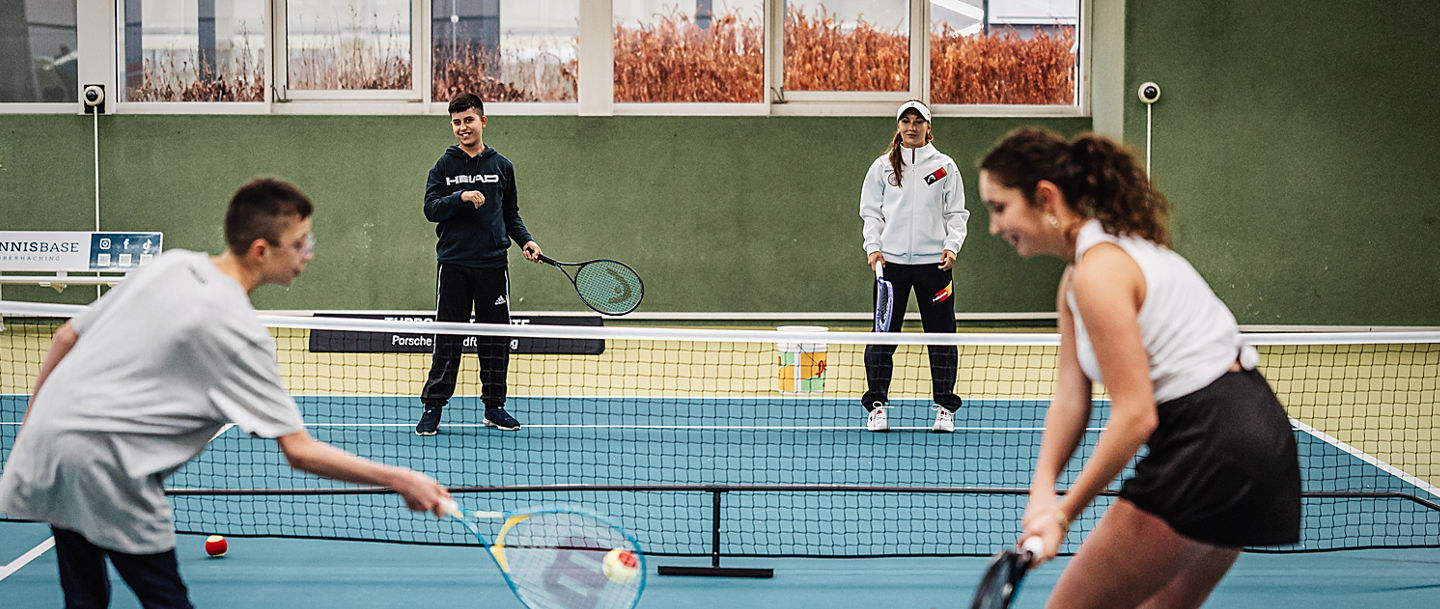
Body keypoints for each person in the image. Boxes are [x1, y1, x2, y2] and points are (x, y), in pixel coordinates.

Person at [0, 178, 452, 609]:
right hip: (110, 469)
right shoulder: (240, 334)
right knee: (167, 601)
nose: (308, 255)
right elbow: (300, 452)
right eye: (300, 244)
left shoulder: (172, 263)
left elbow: (65, 338)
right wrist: (400, 478)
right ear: (261, 251)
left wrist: (32, 429)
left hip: (48, 443)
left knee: (84, 598)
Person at [978, 128, 1301, 608]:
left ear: (1044, 196)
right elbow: (1072, 395)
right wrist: (1042, 490)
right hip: (1260, 438)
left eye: (998, 207)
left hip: (1207, 440)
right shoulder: (1081, 275)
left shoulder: (1099, 272)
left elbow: (1135, 415)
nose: (994, 226)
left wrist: (1065, 513)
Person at [417, 92, 542, 436]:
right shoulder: (443, 167)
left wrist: (526, 240)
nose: (462, 128)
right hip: (454, 266)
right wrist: (459, 197)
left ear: (482, 121)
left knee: (495, 339)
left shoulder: (502, 167)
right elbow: (431, 210)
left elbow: (510, 213)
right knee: (448, 339)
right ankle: (433, 407)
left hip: (492, 267)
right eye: (456, 122)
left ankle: (494, 406)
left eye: (468, 120)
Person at [858, 99, 970, 433]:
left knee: (942, 338)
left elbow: (957, 214)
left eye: (917, 121)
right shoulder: (882, 167)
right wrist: (874, 248)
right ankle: (877, 406)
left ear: (928, 127)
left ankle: (944, 409)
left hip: (934, 267)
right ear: (898, 127)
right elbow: (871, 213)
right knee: (882, 337)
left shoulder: (945, 167)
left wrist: (951, 247)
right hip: (890, 267)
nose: (911, 127)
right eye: (905, 121)